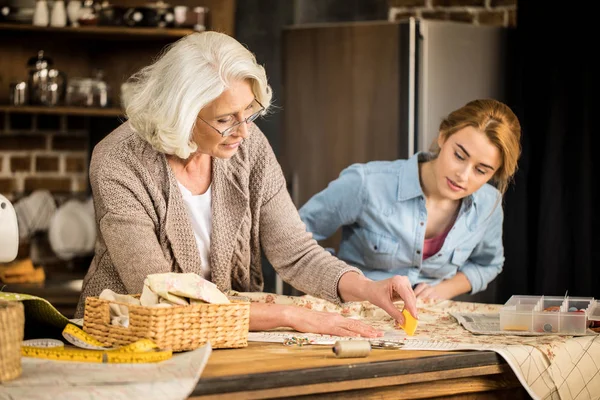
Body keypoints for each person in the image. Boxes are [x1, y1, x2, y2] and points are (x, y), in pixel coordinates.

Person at [75, 31, 418, 338]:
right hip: (126, 334)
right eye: (226, 120)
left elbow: (295, 253)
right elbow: (162, 293)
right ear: (180, 113)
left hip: (229, 334)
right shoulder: (118, 161)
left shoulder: (248, 147)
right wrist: (289, 315)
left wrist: (366, 287)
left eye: (249, 113)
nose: (244, 132)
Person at [299, 99, 521, 300]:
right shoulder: (366, 183)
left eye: (481, 171)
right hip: (355, 313)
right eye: (459, 156)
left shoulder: (488, 204)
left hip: (429, 325)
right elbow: (294, 240)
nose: (463, 175)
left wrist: (444, 289)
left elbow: (488, 264)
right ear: (443, 136)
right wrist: (345, 282)